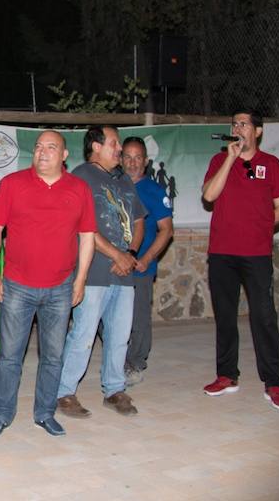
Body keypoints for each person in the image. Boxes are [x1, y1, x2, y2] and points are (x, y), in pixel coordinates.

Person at [0, 130, 96, 439]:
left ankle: (45, 413)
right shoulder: (12, 184)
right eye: (38, 147)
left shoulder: (79, 189)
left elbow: (87, 236)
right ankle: (2, 414)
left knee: (53, 356)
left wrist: (81, 279)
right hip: (17, 285)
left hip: (61, 286)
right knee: (10, 355)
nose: (43, 152)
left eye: (51, 147)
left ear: (64, 156)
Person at [56, 125, 146, 419]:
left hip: (124, 272)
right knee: (83, 333)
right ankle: (64, 392)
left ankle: (114, 389)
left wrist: (130, 254)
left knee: (120, 334)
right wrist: (116, 254)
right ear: (96, 146)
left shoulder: (123, 180)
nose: (119, 149)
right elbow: (84, 227)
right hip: (93, 271)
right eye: (114, 143)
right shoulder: (81, 176)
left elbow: (139, 220)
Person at [201, 109, 279, 409]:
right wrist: (230, 158)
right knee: (225, 316)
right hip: (222, 252)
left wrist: (260, 228)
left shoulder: (272, 165)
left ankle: (274, 382)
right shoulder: (218, 160)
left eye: (244, 124)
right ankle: (227, 375)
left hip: (256, 253)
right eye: (234, 123)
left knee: (264, 316)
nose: (238, 128)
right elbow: (209, 196)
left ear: (258, 131)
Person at [120, 136, 174, 386]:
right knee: (104, 318)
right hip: (113, 265)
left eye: (137, 157)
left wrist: (146, 258)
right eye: (127, 157)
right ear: (120, 159)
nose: (132, 162)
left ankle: (135, 363)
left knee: (139, 319)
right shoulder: (113, 186)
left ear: (146, 161)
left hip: (140, 268)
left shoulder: (154, 191)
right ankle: (117, 357)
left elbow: (166, 230)